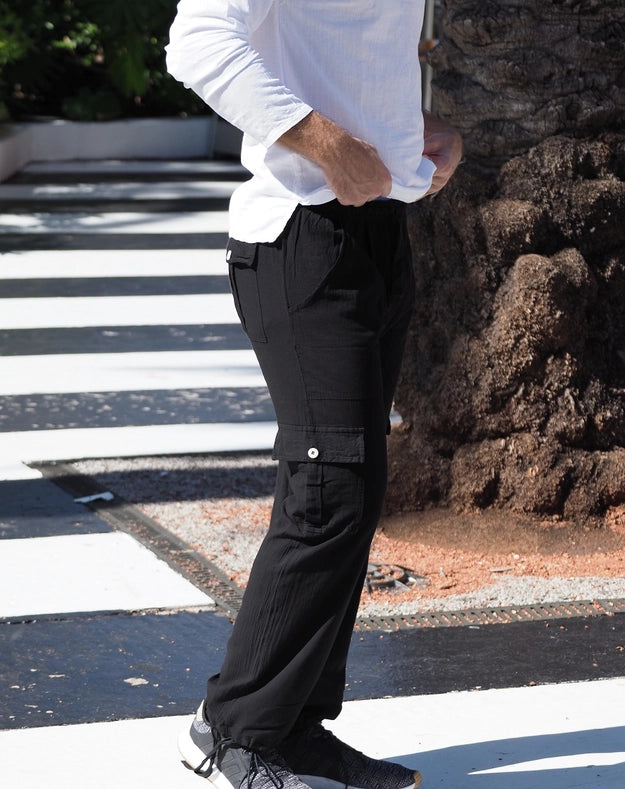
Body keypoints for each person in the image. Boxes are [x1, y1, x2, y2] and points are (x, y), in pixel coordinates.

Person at [166, 3, 463, 789]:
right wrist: (325, 143)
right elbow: (196, 42)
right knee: (328, 491)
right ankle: (237, 729)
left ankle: (292, 725)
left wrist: (410, 129)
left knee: (351, 493)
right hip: (298, 235)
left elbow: (343, 50)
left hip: (377, 233)